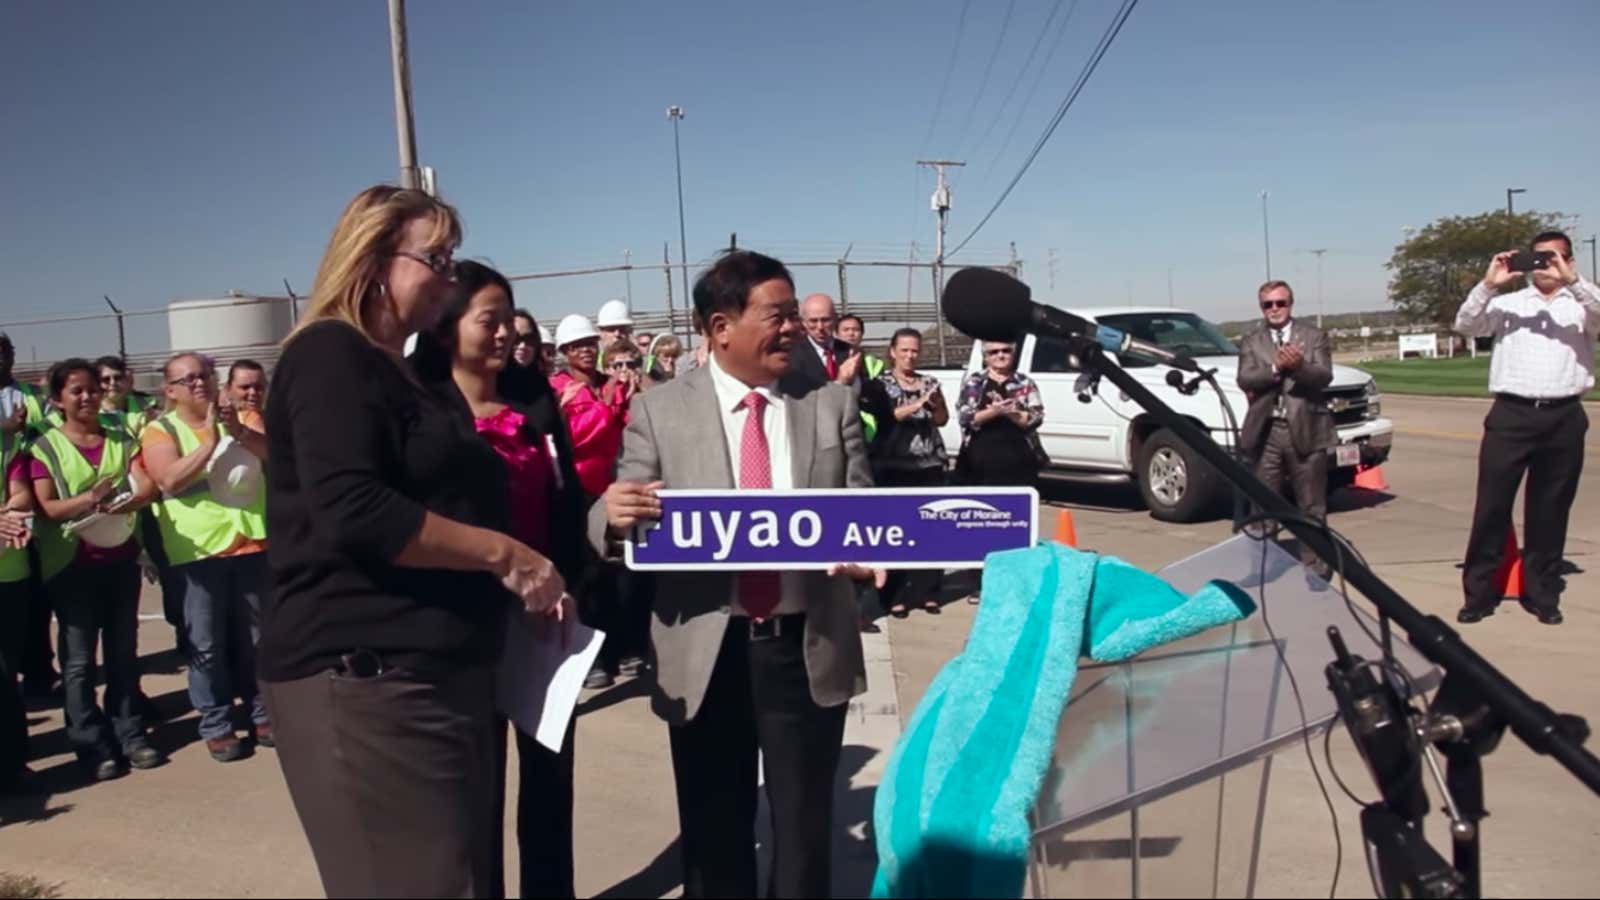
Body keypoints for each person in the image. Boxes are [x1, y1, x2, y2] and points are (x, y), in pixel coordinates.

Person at [259, 184, 566, 898]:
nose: (450, 278)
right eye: (438, 258)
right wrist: (506, 556)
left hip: (439, 674)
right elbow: (354, 508)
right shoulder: (331, 355)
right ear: (373, 260)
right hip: (365, 679)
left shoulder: (407, 375)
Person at [595, 250, 881, 898]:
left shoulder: (830, 404)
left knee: (805, 834)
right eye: (777, 316)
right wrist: (611, 517)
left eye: (794, 315)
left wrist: (864, 557)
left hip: (803, 648)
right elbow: (615, 518)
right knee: (714, 833)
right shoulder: (659, 411)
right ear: (720, 328)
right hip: (706, 653)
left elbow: (864, 511)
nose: (793, 329)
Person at [413, 260, 589, 899]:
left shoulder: (533, 395)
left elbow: (567, 494)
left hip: (545, 617)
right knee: (470, 792)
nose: (504, 335)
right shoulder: (417, 405)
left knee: (549, 780)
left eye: (508, 320)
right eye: (487, 321)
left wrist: (573, 576)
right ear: (443, 328)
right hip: (457, 625)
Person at [26, 357, 165, 781]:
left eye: (91, 388)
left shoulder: (122, 437)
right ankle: (89, 743)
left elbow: (145, 484)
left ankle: (130, 733)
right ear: (57, 400)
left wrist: (131, 499)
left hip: (120, 559)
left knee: (124, 652)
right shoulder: (44, 446)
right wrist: (92, 500)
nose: (87, 396)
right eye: (76, 391)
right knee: (80, 661)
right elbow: (47, 507)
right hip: (71, 567)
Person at [1452, 232, 1599, 626]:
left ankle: (1542, 593)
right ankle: (1479, 594)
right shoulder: (1508, 303)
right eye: (1541, 258)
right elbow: (1467, 325)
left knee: (1549, 511)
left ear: (1570, 260)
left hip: (1564, 416)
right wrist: (1488, 284)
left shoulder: (1582, 303)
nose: (1548, 265)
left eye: (1557, 258)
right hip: (1512, 416)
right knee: (1492, 507)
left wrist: (1574, 281)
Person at [141, 352, 272, 763]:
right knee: (207, 644)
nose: (200, 383)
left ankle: (261, 713)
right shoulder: (160, 430)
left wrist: (237, 431)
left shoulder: (244, 418)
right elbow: (168, 478)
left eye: (205, 376)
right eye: (189, 378)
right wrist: (213, 443)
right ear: (171, 390)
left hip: (251, 542)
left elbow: (275, 455)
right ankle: (216, 724)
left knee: (255, 640)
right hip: (199, 551)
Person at [1236, 280, 1334, 580]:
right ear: (1261, 308)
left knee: (1311, 503)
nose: (1275, 309)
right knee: (1263, 503)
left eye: (1281, 303)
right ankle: (1264, 568)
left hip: (1306, 427)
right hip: (1267, 430)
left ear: (1291, 304)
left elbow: (1324, 376)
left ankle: (1315, 568)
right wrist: (1276, 369)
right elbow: (1245, 378)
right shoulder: (1252, 341)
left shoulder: (1314, 336)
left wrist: (1299, 366)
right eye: (1268, 304)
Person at [866, 328, 949, 618]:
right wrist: (916, 404)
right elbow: (888, 416)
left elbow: (942, 419)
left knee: (930, 531)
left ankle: (928, 591)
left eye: (914, 350)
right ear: (892, 351)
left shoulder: (930, 382)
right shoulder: (882, 384)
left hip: (928, 465)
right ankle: (894, 595)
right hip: (893, 465)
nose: (910, 356)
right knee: (895, 532)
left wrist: (935, 404)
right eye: (904, 350)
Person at [0, 335, 57, 702]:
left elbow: (53, 434)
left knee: (37, 599)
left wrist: (24, 430)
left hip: (32, 500)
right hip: (7, 504)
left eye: (5, 351)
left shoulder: (32, 396)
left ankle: (39, 671)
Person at [549, 315, 630, 501]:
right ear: (564, 351)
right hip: (575, 489)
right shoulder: (555, 388)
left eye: (590, 343)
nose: (585, 350)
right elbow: (571, 436)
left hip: (615, 485)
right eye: (576, 346)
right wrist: (604, 409)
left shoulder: (614, 385)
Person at [955, 341, 1046, 488]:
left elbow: (1036, 418)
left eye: (1006, 351)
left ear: (1013, 354)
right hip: (979, 458)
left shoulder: (1025, 382)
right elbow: (965, 418)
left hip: (1018, 457)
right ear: (986, 357)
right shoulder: (974, 382)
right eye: (994, 352)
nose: (1001, 355)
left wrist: (1012, 413)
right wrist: (994, 412)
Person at [0, 429, 36, 792]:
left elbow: (21, 493)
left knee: (8, 674)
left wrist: (10, 515)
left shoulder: (6, 444)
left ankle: (13, 762)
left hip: (8, 573)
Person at [836, 314, 887, 443]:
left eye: (855, 330)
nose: (851, 333)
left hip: (866, 431)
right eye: (846, 330)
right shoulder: (828, 360)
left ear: (862, 334)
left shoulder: (873, 362)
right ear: (836, 334)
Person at [790, 293, 859, 388]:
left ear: (835, 319)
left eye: (825, 320)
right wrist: (840, 383)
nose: (820, 327)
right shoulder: (792, 356)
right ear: (803, 322)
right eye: (813, 321)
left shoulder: (851, 353)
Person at [95, 356, 159, 440]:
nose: (113, 383)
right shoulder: (91, 415)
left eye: (118, 378)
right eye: (106, 379)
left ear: (126, 380)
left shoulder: (148, 406)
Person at [596, 298, 634, 363]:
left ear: (629, 332)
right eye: (611, 329)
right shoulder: (592, 365)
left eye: (622, 329)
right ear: (601, 333)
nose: (617, 334)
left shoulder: (643, 364)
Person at [511, 308, 544, 373]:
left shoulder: (541, 380)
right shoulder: (491, 380)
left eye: (529, 339)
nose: (522, 346)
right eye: (515, 339)